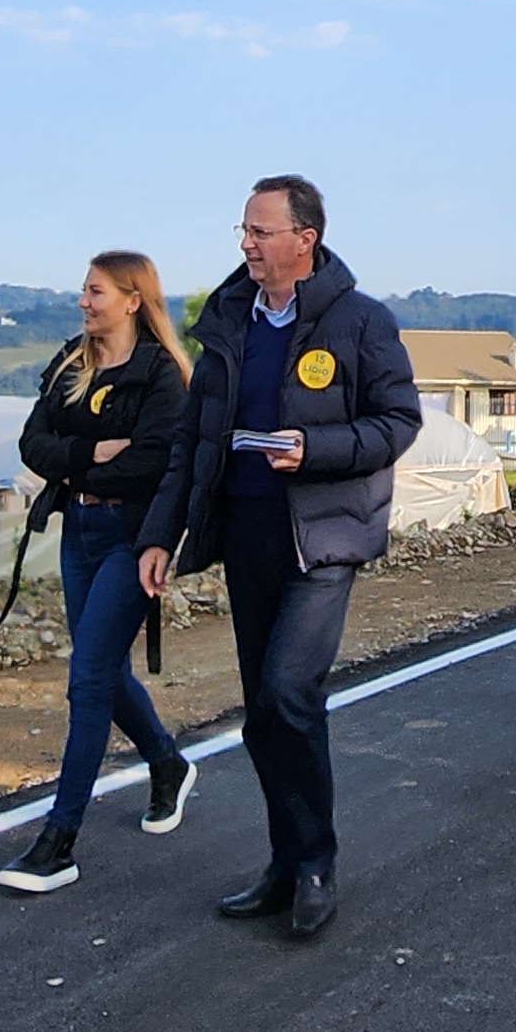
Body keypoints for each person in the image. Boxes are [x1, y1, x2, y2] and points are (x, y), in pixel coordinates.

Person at [136, 174, 420, 939]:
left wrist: (316, 448)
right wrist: (161, 534)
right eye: (244, 230)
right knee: (264, 709)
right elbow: (193, 443)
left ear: (306, 239)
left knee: (289, 689)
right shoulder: (228, 323)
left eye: (261, 232)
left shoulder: (362, 323)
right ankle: (284, 862)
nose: (247, 245)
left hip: (324, 538)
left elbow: (398, 421)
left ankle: (316, 865)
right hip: (248, 537)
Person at [0, 252, 202, 895]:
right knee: (103, 667)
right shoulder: (70, 363)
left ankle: (60, 840)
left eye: (95, 291)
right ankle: (166, 763)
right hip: (78, 531)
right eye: (83, 291)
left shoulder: (161, 374)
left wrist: (74, 465)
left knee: (86, 677)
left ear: (132, 298)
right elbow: (33, 445)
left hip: (133, 538)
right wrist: (89, 454)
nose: (83, 303)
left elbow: (152, 464)